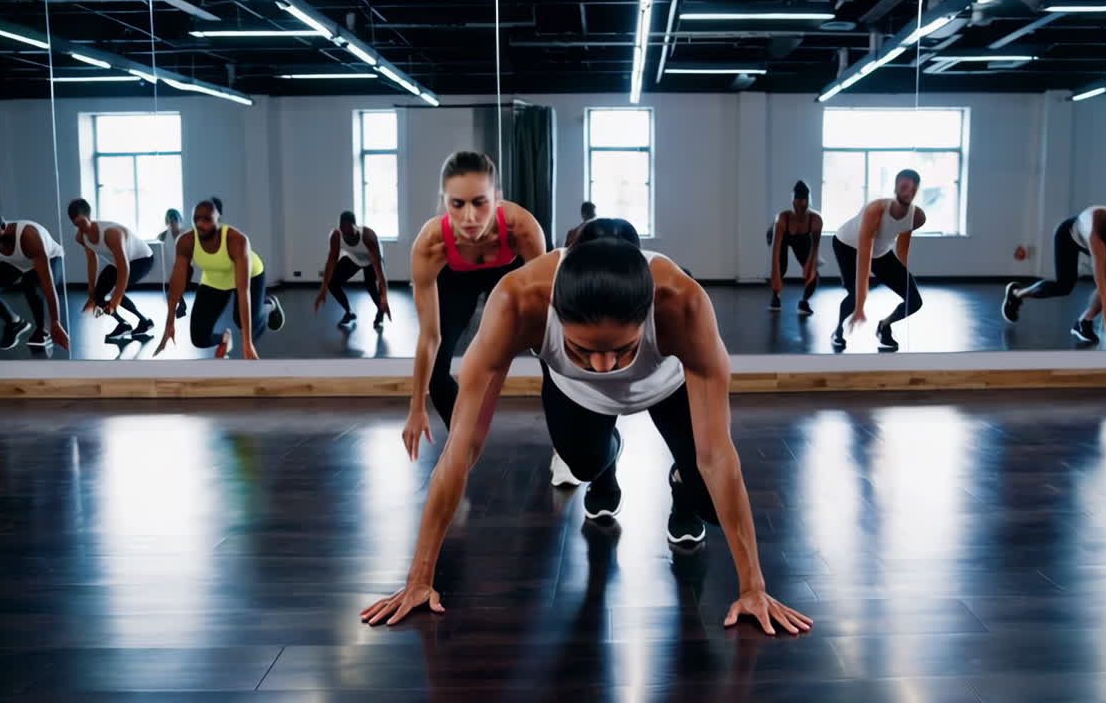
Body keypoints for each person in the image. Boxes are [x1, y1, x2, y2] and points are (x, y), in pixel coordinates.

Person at [362, 219, 813, 636]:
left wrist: (753, 586)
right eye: (583, 349)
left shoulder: (683, 304)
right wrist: (419, 579)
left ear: (649, 309)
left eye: (622, 349)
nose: (603, 366)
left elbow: (717, 455)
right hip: (573, 393)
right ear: (555, 309)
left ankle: (680, 484)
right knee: (584, 463)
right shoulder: (518, 301)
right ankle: (606, 465)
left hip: (665, 388)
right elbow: (462, 446)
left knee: (709, 502)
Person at [401, 152, 547, 458]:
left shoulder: (522, 228)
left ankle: (566, 446)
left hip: (509, 273)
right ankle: (462, 442)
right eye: (457, 204)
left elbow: (547, 310)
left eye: (479, 202)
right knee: (438, 372)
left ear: (497, 198)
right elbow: (429, 337)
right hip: (456, 280)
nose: (469, 217)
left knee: (549, 351)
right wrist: (416, 408)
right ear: (444, 202)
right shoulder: (430, 245)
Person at [1002, 206, 1106, 345]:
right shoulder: (1100, 221)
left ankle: (1084, 323)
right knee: (1063, 286)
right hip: (1069, 235)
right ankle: (1016, 293)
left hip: (1098, 245)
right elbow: (1100, 267)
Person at [155, 197, 284, 359]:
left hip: (250, 275)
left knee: (244, 323)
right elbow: (177, 281)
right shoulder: (187, 241)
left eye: (207, 219)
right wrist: (169, 323)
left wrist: (247, 343)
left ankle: (269, 304)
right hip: (215, 278)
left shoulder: (236, 240)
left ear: (218, 220)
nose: (201, 224)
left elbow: (243, 291)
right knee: (199, 338)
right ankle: (225, 338)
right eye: (196, 219)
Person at [830, 169, 926, 351]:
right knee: (854, 294)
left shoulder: (917, 216)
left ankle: (884, 326)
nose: (908, 192)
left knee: (914, 301)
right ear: (896, 188)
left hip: (880, 252)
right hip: (848, 246)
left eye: (913, 189)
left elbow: (902, 246)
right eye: (904, 186)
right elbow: (865, 256)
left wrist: (903, 275)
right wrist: (860, 306)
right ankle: (838, 330)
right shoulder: (876, 210)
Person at [0, 208, 70, 356]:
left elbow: (47, 284)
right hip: (16, 262)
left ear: (3, 227)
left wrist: (55, 322)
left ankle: (42, 330)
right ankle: (15, 322)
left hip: (51, 257)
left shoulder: (29, 236)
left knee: (29, 284)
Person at [67, 198, 156, 341]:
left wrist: (115, 300)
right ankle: (125, 324)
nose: (81, 228)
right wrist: (91, 290)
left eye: (82, 222)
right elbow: (91, 260)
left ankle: (144, 321)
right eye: (76, 224)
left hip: (142, 259)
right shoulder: (81, 237)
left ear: (89, 216)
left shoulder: (111, 233)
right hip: (119, 263)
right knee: (98, 294)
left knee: (115, 292)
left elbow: (124, 265)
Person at [314, 211, 391, 329]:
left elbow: (380, 274)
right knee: (332, 282)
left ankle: (380, 311)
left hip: (372, 260)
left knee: (370, 285)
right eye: (342, 229)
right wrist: (323, 289)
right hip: (355, 258)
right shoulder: (336, 236)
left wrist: (384, 297)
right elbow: (331, 262)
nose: (345, 233)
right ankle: (349, 312)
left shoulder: (368, 236)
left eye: (348, 229)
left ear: (354, 226)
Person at [767, 180, 823, 315]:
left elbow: (815, 248)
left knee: (813, 273)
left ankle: (804, 303)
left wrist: (810, 265)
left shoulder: (815, 220)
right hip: (779, 237)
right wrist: (776, 276)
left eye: (804, 206)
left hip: (801, 239)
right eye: (797, 205)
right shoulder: (782, 219)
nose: (801, 208)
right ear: (793, 203)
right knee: (781, 268)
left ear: (808, 203)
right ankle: (775, 297)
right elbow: (775, 251)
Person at [159, 208, 188, 318]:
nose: (172, 223)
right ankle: (181, 305)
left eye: (174, 220)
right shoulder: (163, 235)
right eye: (170, 221)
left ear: (179, 220)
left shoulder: (185, 234)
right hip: (171, 264)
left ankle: (181, 305)